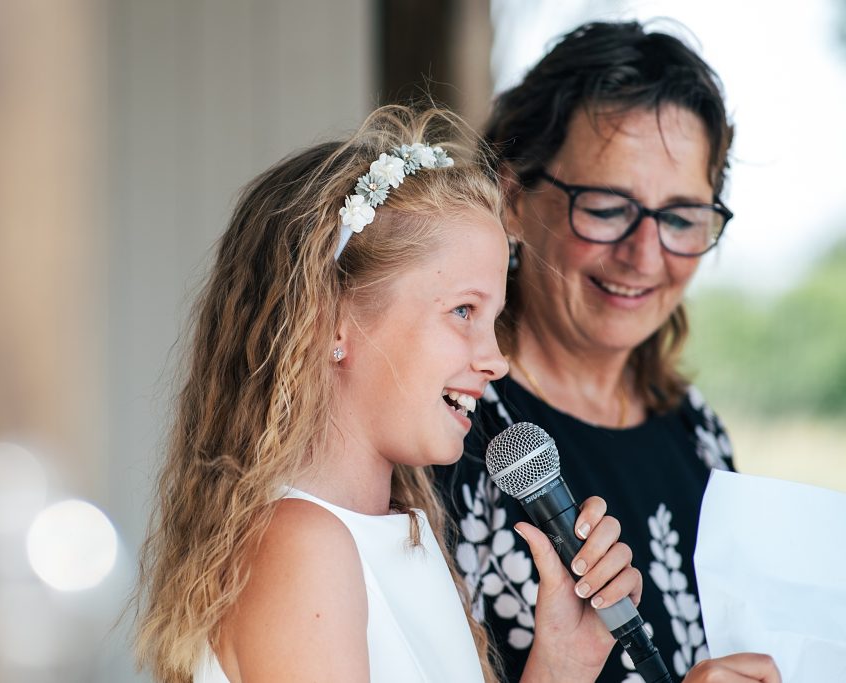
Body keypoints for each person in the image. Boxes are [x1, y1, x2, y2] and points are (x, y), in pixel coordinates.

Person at [131, 105, 649, 683]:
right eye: (462, 311)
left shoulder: (397, 532)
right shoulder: (304, 547)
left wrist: (563, 659)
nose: (495, 360)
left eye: (493, 319)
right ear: (329, 320)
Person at [436, 20, 780, 682]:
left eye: (681, 217)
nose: (645, 255)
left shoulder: (697, 433)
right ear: (512, 198)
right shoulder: (449, 429)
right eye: (606, 206)